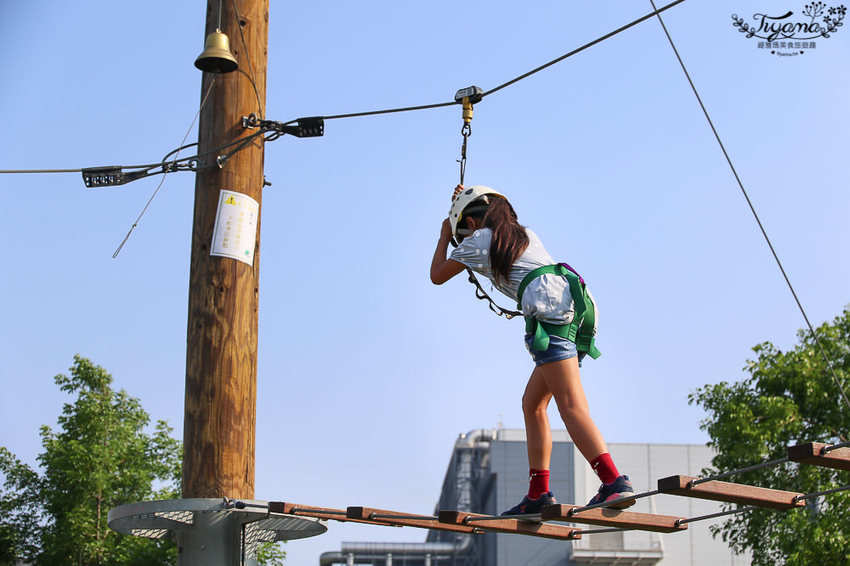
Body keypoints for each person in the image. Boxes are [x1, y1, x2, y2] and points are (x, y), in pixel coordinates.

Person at [430, 185, 635, 515]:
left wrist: (444, 234)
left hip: (551, 313)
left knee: (570, 404)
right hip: (575, 308)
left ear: (470, 222)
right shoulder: (522, 234)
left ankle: (614, 482)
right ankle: (538, 492)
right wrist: (460, 205)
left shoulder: (479, 242)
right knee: (533, 404)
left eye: (463, 230)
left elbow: (437, 275)